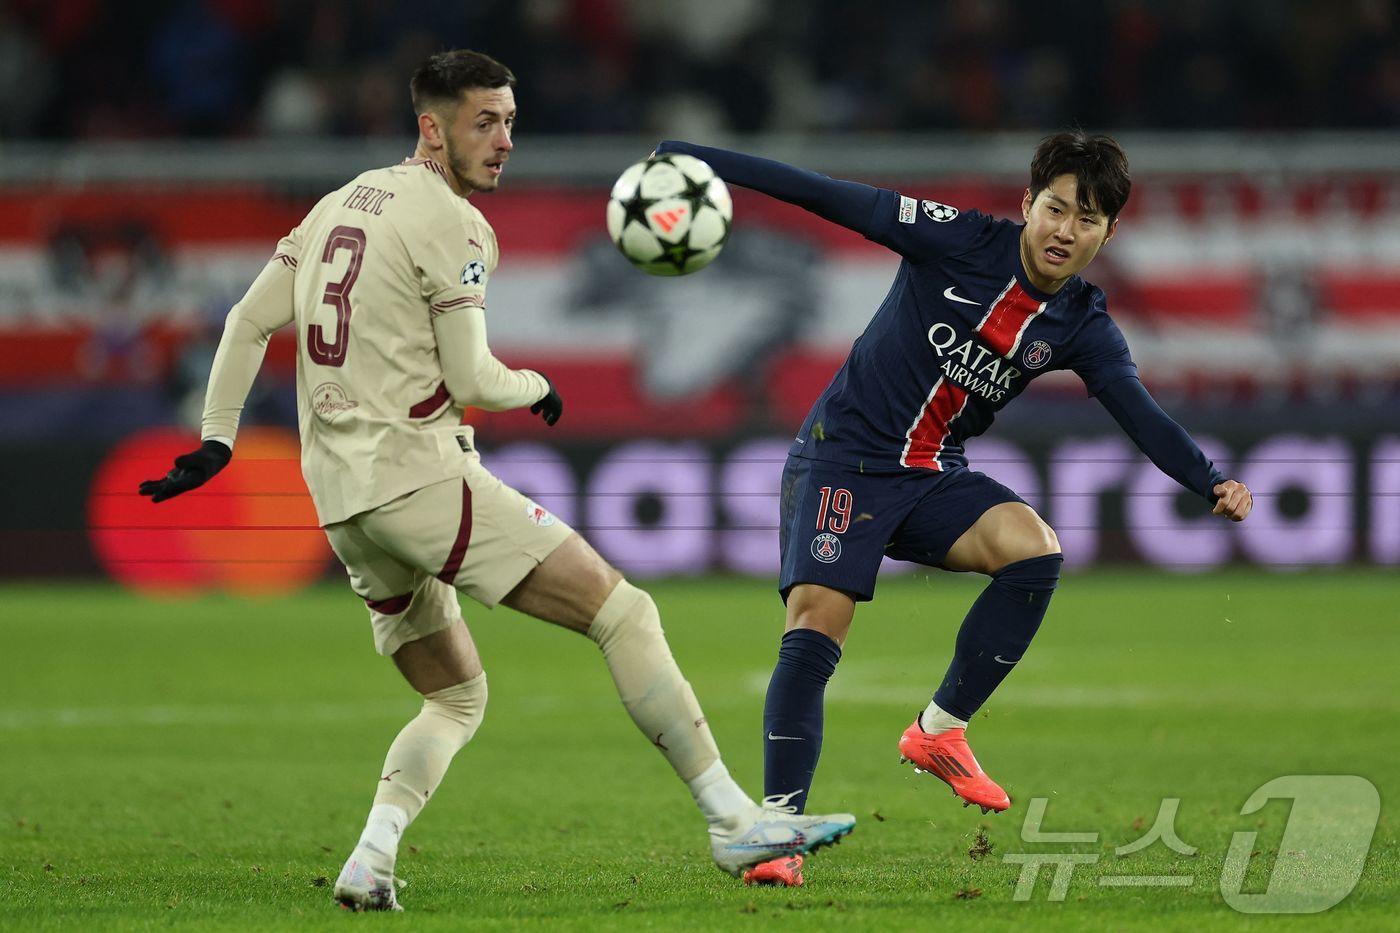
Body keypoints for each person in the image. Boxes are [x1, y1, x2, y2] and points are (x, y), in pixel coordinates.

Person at [138, 49, 855, 912]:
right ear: (431, 128)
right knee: (624, 610)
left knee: (455, 695)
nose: (504, 139)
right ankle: (732, 819)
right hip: (416, 478)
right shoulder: (456, 223)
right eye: (484, 121)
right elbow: (476, 381)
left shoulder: (337, 203)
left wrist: (217, 438)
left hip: (340, 502)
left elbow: (248, 320)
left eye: (510, 120)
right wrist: (538, 387)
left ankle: (370, 860)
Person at [653, 132, 1254, 887]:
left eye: (1088, 219)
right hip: (844, 458)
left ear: (1109, 233)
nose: (1066, 230)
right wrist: (703, 160)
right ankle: (776, 830)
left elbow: (1138, 410)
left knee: (1034, 549)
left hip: (933, 475)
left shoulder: (1082, 323)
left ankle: (939, 731)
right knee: (814, 625)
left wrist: (1208, 479)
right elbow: (826, 193)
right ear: (1027, 203)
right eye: (1057, 208)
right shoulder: (958, 238)